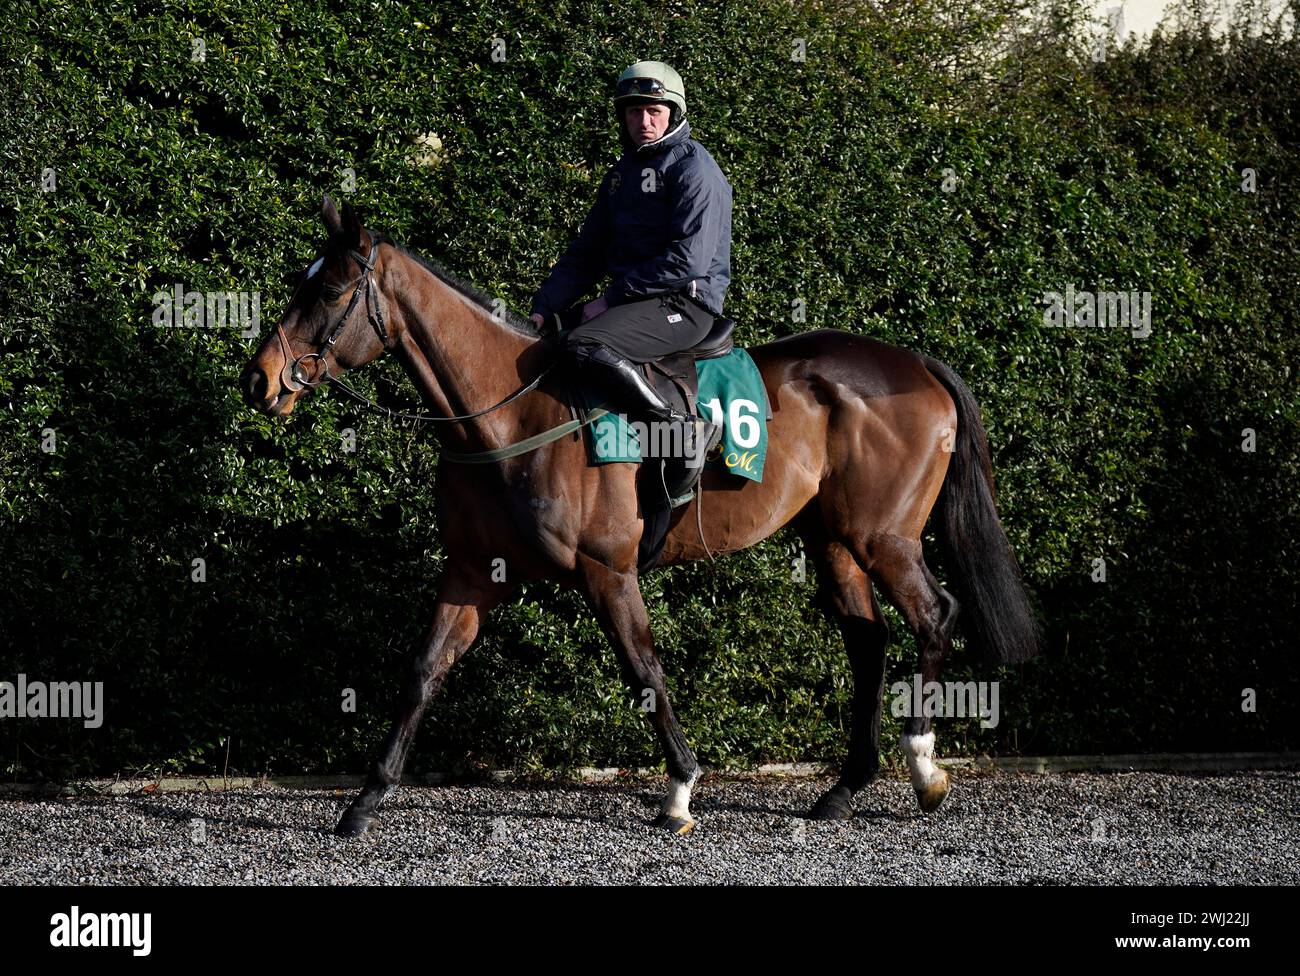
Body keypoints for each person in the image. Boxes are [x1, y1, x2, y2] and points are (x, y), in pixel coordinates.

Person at [528, 60, 733, 506]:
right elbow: (586, 254)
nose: (643, 121)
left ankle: (681, 431)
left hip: (686, 304)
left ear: (673, 113)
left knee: (584, 345)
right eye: (634, 111)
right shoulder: (621, 175)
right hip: (637, 303)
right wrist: (543, 307)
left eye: (654, 111)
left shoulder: (695, 168)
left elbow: (688, 261)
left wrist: (611, 298)